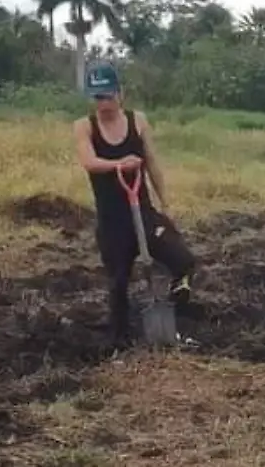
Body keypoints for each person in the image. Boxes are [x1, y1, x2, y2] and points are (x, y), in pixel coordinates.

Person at [73, 61, 199, 347]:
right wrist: (121, 163)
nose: (103, 103)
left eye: (108, 95)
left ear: (121, 93)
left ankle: (176, 316)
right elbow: (89, 162)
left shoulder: (137, 121)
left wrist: (166, 203)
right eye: (97, 97)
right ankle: (119, 342)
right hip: (112, 220)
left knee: (183, 260)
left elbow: (152, 162)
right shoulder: (84, 127)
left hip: (143, 213)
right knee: (117, 282)